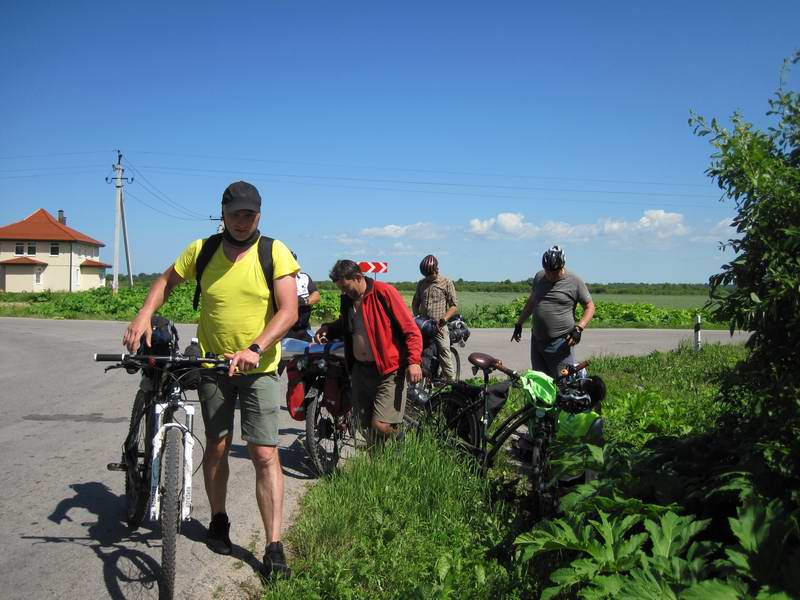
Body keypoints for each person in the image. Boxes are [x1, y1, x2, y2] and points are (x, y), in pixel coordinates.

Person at [122, 181, 298, 580]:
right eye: (235, 213)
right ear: (222, 213)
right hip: (213, 366)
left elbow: (288, 311)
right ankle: (219, 519)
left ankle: (273, 545)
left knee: (264, 453)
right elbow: (166, 281)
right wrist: (144, 313)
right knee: (216, 446)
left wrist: (256, 346)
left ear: (259, 215)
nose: (241, 221)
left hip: (259, 369)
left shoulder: (274, 252)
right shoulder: (201, 251)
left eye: (249, 214)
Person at [315, 259, 422, 443]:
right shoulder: (348, 300)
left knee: (381, 425)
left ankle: (400, 437)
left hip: (388, 371)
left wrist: (414, 361)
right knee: (365, 425)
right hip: (360, 371)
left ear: (358, 277)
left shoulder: (384, 293)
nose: (343, 292)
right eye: (340, 288)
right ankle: (378, 467)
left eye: (346, 287)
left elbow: (410, 330)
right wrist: (328, 328)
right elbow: (347, 325)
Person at [511, 245, 595, 379]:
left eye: (554, 271)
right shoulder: (539, 277)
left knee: (563, 382)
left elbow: (590, 307)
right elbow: (532, 302)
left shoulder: (574, 281)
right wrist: (519, 324)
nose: (550, 275)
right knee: (540, 382)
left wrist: (579, 329)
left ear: (562, 266)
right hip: (537, 340)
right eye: (547, 270)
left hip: (560, 343)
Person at [412, 254, 459, 381]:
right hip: (423, 325)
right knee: (416, 350)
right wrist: (417, 318)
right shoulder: (421, 284)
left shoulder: (446, 282)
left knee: (444, 351)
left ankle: (452, 382)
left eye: (429, 275)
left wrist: (444, 319)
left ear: (436, 270)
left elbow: (453, 306)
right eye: (425, 275)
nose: (427, 278)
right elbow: (415, 303)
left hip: (440, 326)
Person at [284, 252, 321, 342]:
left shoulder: (304, 278)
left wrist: (304, 301)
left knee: (306, 353)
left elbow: (316, 295)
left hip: (303, 328)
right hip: (286, 329)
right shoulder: (277, 280)